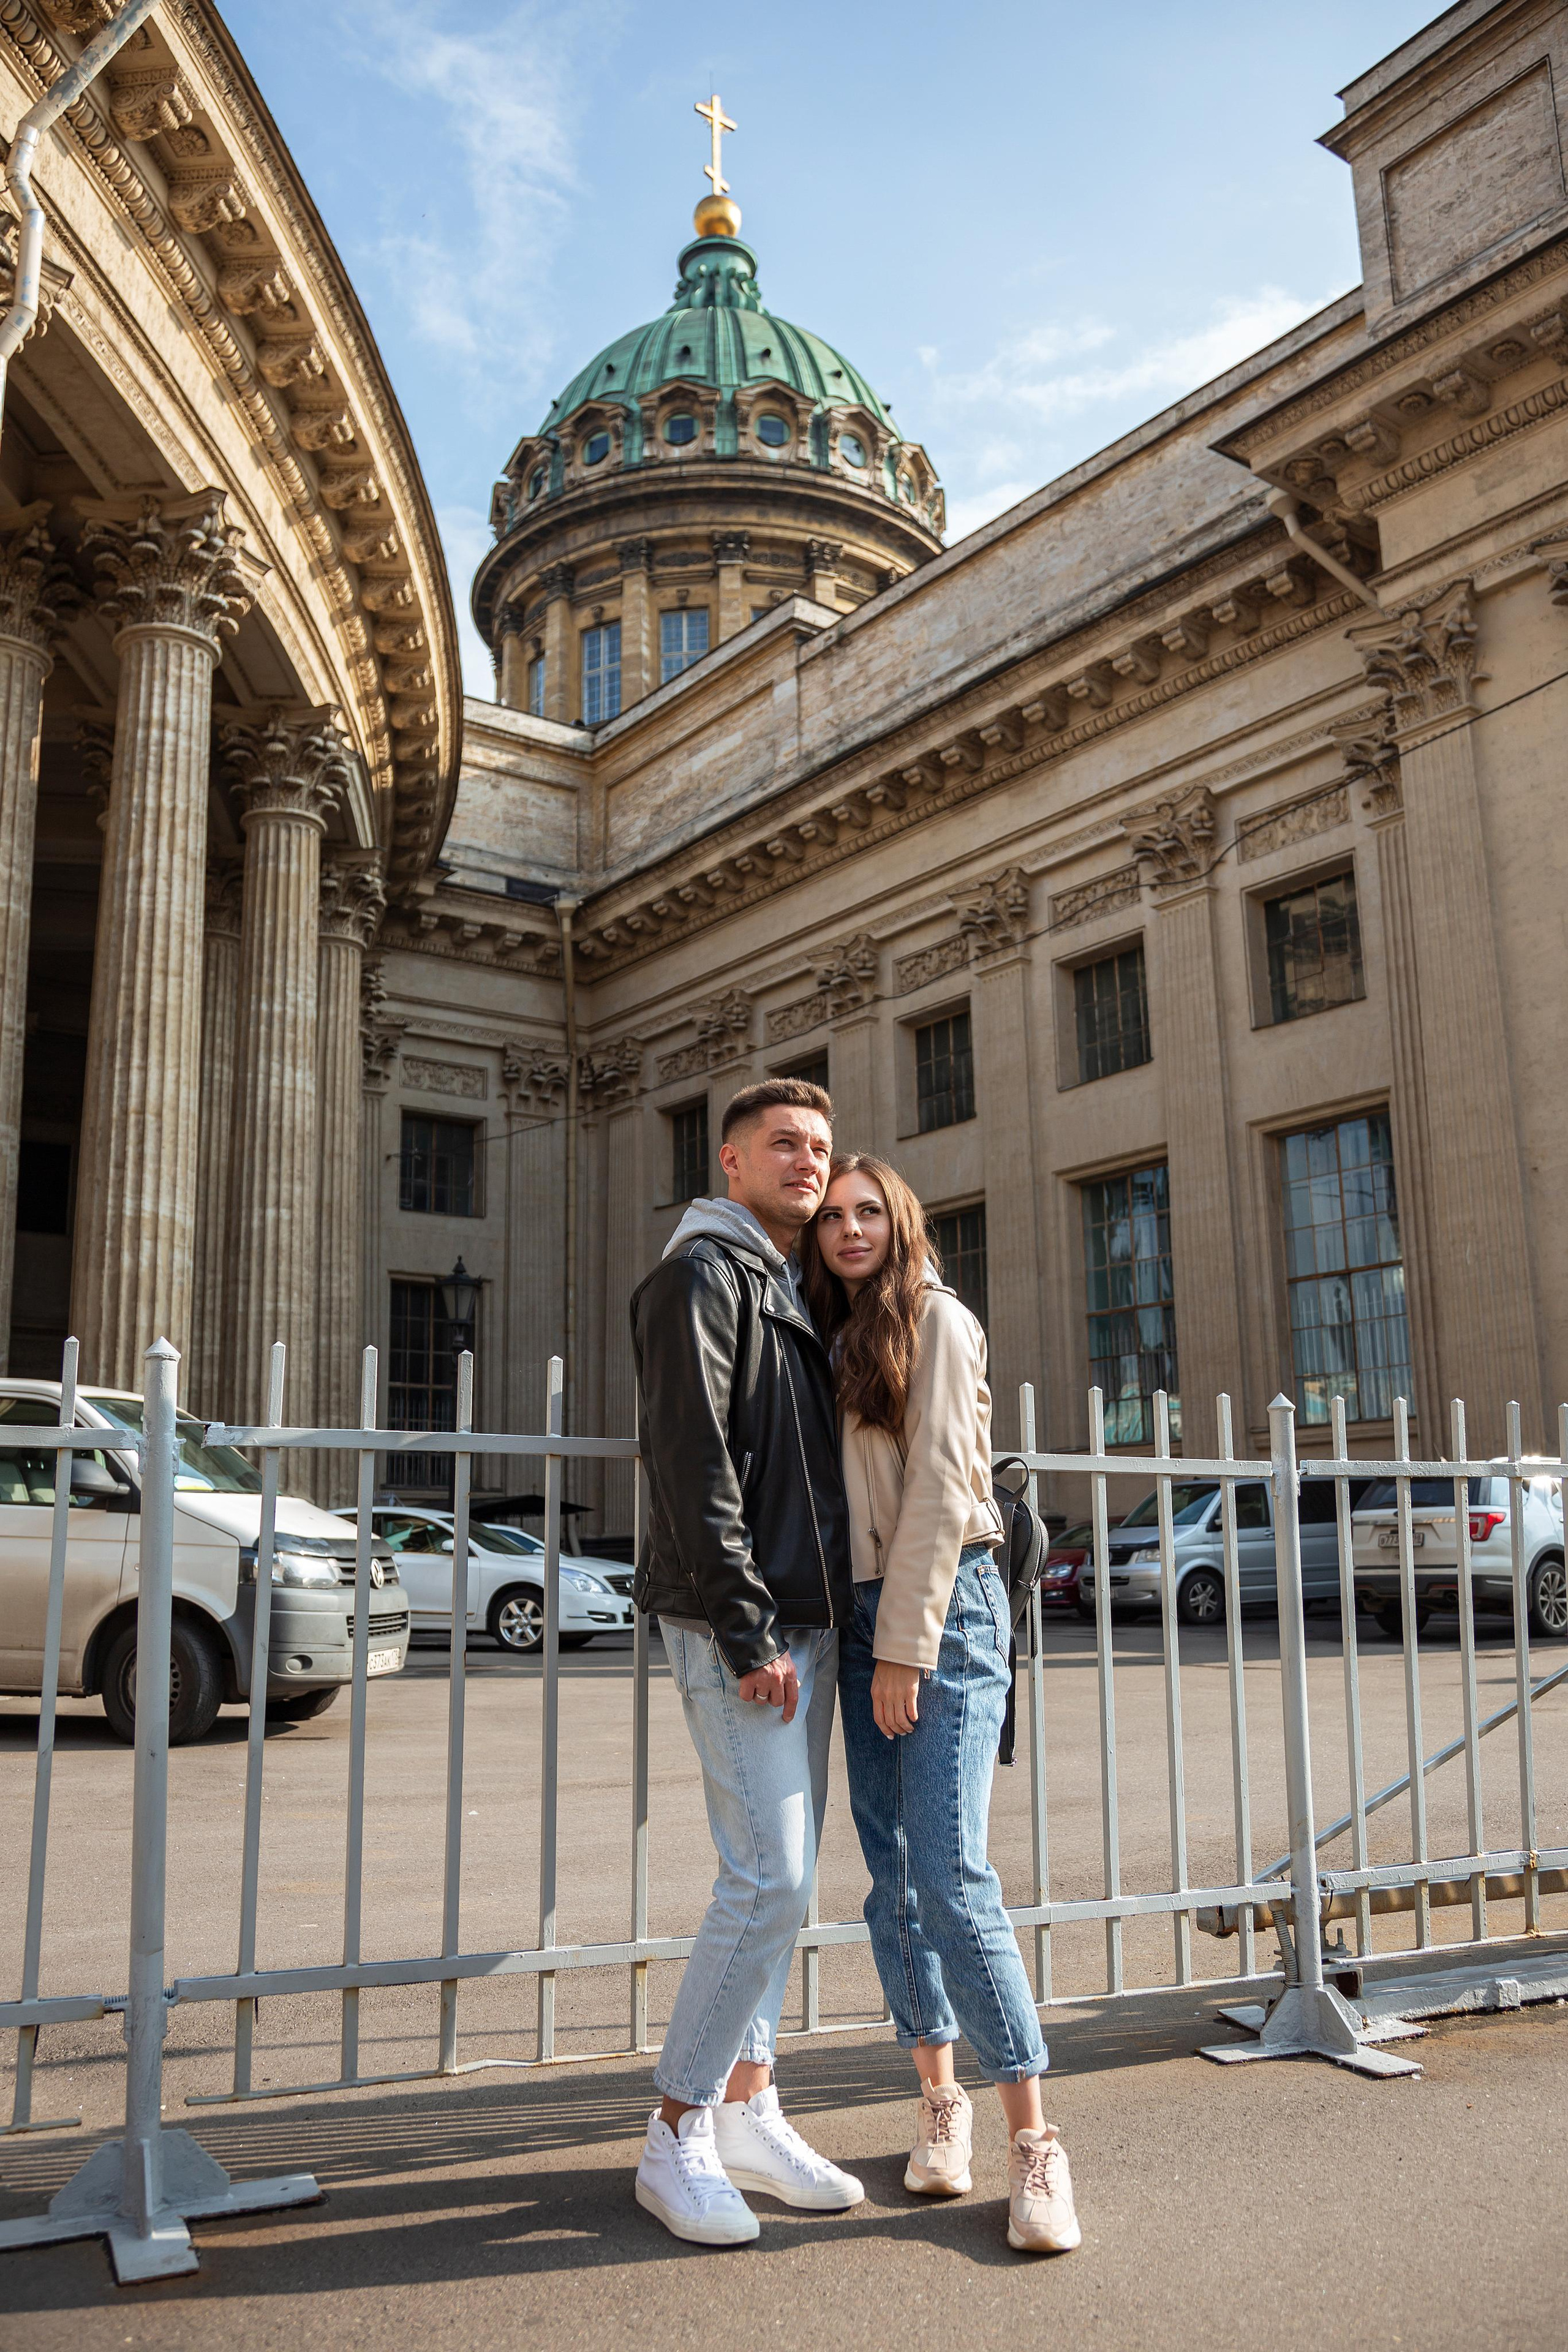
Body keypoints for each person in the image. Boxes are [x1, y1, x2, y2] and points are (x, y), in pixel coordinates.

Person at [804, 1152, 1082, 2256]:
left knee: (954, 1873)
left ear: (902, 1220)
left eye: (870, 1212)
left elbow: (937, 1494)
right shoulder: (827, 1337)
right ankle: (938, 2100)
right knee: (892, 1878)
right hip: (862, 1618)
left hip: (946, 1610)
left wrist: (903, 1652)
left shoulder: (937, 1318)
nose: (850, 1229)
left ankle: (1036, 2143)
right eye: (832, 1217)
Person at [628, 1078, 863, 2247]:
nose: (807, 1162)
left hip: (800, 1624)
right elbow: (694, 1466)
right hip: (746, 1625)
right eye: (783, 1145)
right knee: (771, 1880)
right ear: (730, 1164)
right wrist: (749, 1624)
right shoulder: (700, 1278)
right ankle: (675, 2133)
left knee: (779, 1880)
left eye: (820, 1147)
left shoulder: (787, 1288)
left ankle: (751, 2102)